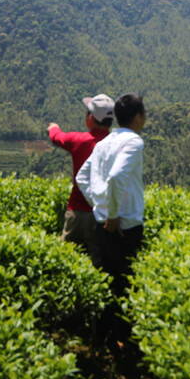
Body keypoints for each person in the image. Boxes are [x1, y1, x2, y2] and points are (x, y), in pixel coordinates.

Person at [76, 93, 146, 296]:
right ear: (137, 117)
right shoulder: (133, 142)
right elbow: (116, 176)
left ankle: (101, 328)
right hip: (125, 227)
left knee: (104, 284)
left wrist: (100, 205)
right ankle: (120, 329)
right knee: (125, 286)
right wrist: (113, 214)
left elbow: (82, 177)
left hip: (101, 224)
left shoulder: (103, 143)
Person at [47, 93, 114, 262]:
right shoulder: (115, 144)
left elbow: (57, 137)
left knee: (65, 256)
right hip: (103, 213)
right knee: (98, 259)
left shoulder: (80, 141)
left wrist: (53, 127)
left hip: (76, 211)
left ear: (90, 118)